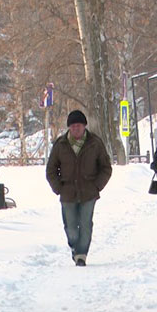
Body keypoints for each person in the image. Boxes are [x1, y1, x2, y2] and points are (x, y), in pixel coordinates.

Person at [46, 109, 113, 266]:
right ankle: (74, 247)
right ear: (69, 127)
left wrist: (97, 186)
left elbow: (106, 168)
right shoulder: (60, 144)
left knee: (85, 224)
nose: (76, 128)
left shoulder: (95, 143)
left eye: (79, 125)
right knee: (71, 227)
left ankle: (81, 255)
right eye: (73, 126)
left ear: (84, 126)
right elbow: (51, 169)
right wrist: (58, 188)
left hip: (88, 192)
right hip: (67, 192)